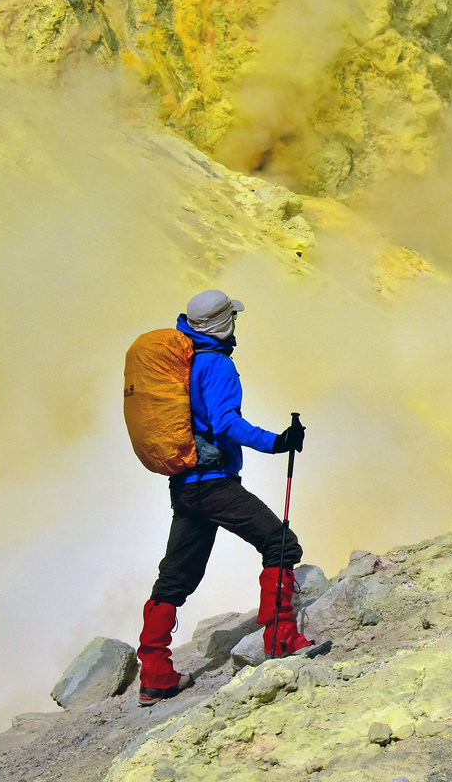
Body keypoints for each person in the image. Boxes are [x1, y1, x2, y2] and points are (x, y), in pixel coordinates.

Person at [136, 289, 330, 707]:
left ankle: (154, 675)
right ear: (223, 324)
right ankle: (281, 637)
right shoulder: (216, 365)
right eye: (233, 319)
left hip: (184, 485)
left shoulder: (182, 364)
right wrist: (276, 442)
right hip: (214, 483)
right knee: (280, 543)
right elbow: (225, 423)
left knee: (175, 578)